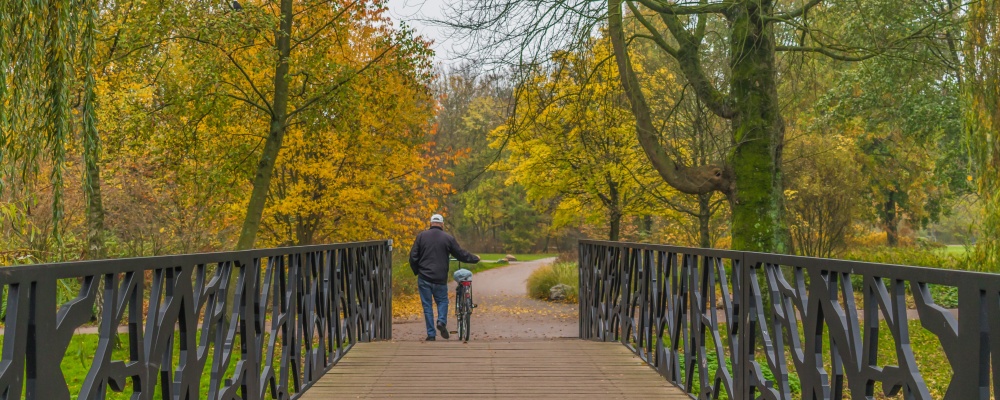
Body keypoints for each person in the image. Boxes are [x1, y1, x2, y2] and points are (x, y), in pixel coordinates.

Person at [409, 214, 480, 341]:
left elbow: (413, 257)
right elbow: (461, 254)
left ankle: (431, 335)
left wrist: (418, 271)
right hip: (440, 277)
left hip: (424, 277)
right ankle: (441, 321)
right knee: (442, 301)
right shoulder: (447, 238)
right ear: (442, 224)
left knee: (427, 306)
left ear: (430, 223)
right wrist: (475, 259)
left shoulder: (421, 237)